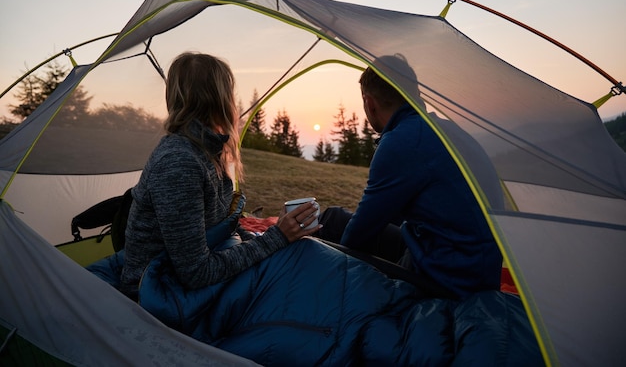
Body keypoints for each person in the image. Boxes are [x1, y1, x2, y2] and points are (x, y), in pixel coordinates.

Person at [119, 52, 321, 300]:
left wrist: (270, 236)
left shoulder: (205, 150)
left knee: (309, 255)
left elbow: (222, 230)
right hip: (161, 291)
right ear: (220, 99)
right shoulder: (178, 163)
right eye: (231, 93)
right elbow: (196, 273)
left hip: (190, 275)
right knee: (312, 277)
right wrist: (276, 238)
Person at [318, 54, 503, 300]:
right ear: (415, 93)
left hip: (445, 280)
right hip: (473, 268)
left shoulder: (403, 141)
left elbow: (358, 237)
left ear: (369, 102)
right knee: (333, 218)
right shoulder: (444, 129)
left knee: (327, 235)